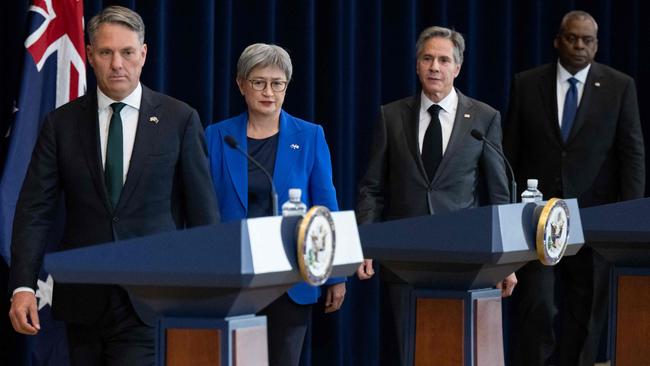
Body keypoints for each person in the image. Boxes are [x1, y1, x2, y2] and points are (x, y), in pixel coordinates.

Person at [7, 6, 219, 365]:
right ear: (89, 55)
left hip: (150, 302)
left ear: (144, 54)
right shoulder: (61, 124)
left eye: (127, 52)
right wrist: (23, 284)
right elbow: (34, 210)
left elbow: (203, 215)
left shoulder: (179, 119)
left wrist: (210, 294)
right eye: (106, 52)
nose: (117, 64)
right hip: (82, 302)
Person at [356, 25, 517, 364]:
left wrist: (506, 261)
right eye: (427, 58)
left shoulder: (484, 118)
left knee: (459, 349)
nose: (434, 67)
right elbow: (372, 187)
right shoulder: (391, 116)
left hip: (464, 258)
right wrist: (366, 243)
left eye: (444, 60)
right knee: (410, 351)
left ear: (457, 68)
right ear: (416, 65)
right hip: (404, 258)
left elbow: (499, 194)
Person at [503, 10, 645, 366]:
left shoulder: (619, 86)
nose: (579, 46)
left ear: (596, 46)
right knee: (538, 308)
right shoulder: (526, 83)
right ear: (557, 40)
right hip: (536, 224)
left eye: (587, 40)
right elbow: (509, 155)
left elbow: (632, 155)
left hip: (595, 222)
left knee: (585, 314)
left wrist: (625, 221)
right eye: (572, 38)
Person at [205, 43, 346, 366]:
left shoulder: (309, 136)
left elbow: (326, 207)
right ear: (241, 84)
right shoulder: (217, 136)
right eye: (258, 82)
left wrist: (336, 275)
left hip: (290, 278)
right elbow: (203, 207)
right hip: (232, 277)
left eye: (277, 83)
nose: (268, 91)